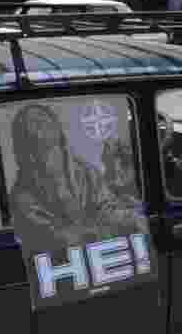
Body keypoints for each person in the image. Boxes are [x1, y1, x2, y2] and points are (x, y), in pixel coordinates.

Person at [8, 103, 146, 254]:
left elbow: (106, 208)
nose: (39, 124)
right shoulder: (22, 194)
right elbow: (51, 237)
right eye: (30, 122)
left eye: (43, 117)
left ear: (57, 128)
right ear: (24, 138)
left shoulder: (86, 172)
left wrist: (131, 219)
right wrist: (96, 233)